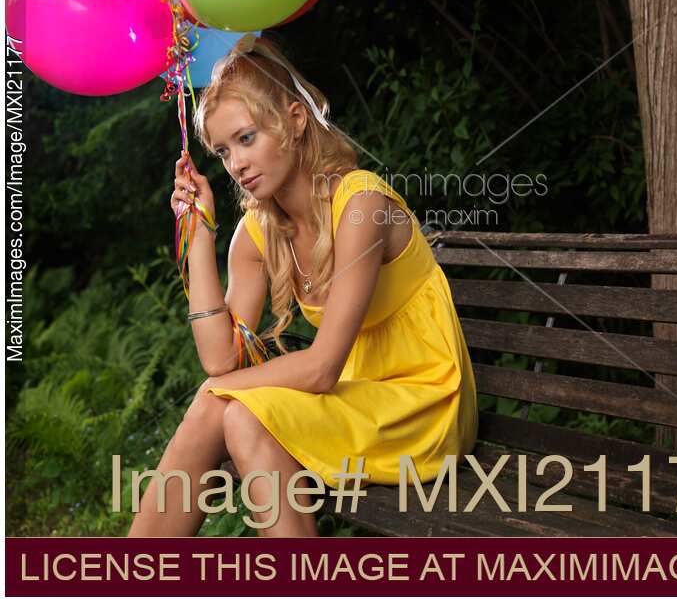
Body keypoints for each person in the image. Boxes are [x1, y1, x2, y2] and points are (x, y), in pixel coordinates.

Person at [128, 35, 478, 537]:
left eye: (247, 138)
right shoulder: (257, 232)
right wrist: (199, 238)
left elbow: (320, 369)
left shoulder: (361, 205)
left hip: (422, 406)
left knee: (226, 405)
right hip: (356, 399)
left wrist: (216, 390)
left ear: (295, 119)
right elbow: (220, 360)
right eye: (223, 151)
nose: (236, 164)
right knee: (234, 411)